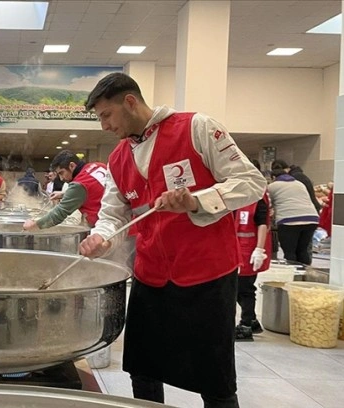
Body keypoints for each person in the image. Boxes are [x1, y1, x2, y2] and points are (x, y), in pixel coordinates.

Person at [78, 72, 266, 408]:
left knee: (215, 378)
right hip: (151, 274)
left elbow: (251, 182)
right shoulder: (119, 158)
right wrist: (101, 238)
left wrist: (197, 201)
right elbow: (112, 215)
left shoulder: (197, 128)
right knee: (143, 368)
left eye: (106, 115)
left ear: (130, 102)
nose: (104, 125)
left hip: (207, 274)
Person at [234, 159, 272, 342]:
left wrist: (259, 249)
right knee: (234, 288)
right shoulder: (238, 194)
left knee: (246, 289)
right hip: (236, 248)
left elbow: (262, 223)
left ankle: (246, 326)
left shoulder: (258, 196)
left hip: (250, 250)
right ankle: (252, 321)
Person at [23, 150, 107, 230]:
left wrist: (35, 225)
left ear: (72, 166)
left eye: (61, 173)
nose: (61, 178)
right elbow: (93, 189)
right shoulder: (98, 166)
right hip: (117, 220)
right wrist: (63, 194)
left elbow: (59, 213)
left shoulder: (79, 184)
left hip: (104, 227)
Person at [267, 167, 319, 265]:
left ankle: (292, 276)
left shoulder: (272, 186)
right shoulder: (299, 184)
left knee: (290, 252)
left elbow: (268, 204)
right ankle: (304, 275)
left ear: (273, 177)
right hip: (311, 218)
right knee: (302, 250)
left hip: (289, 220)